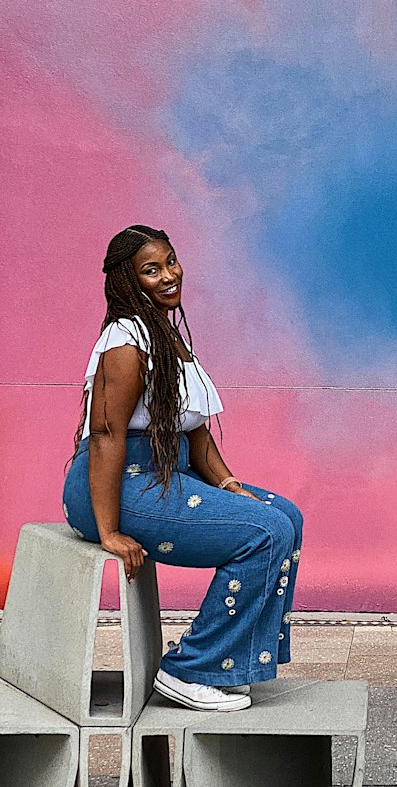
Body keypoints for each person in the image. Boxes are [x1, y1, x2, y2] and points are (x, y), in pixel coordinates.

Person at [62, 224, 303, 712]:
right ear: (127, 281)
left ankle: (229, 664)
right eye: (152, 269)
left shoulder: (165, 335)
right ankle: (190, 670)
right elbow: (107, 435)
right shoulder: (126, 343)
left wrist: (231, 486)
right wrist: (107, 530)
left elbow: (196, 435)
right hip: (111, 483)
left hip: (163, 471)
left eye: (170, 261)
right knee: (263, 532)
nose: (169, 275)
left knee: (286, 516)